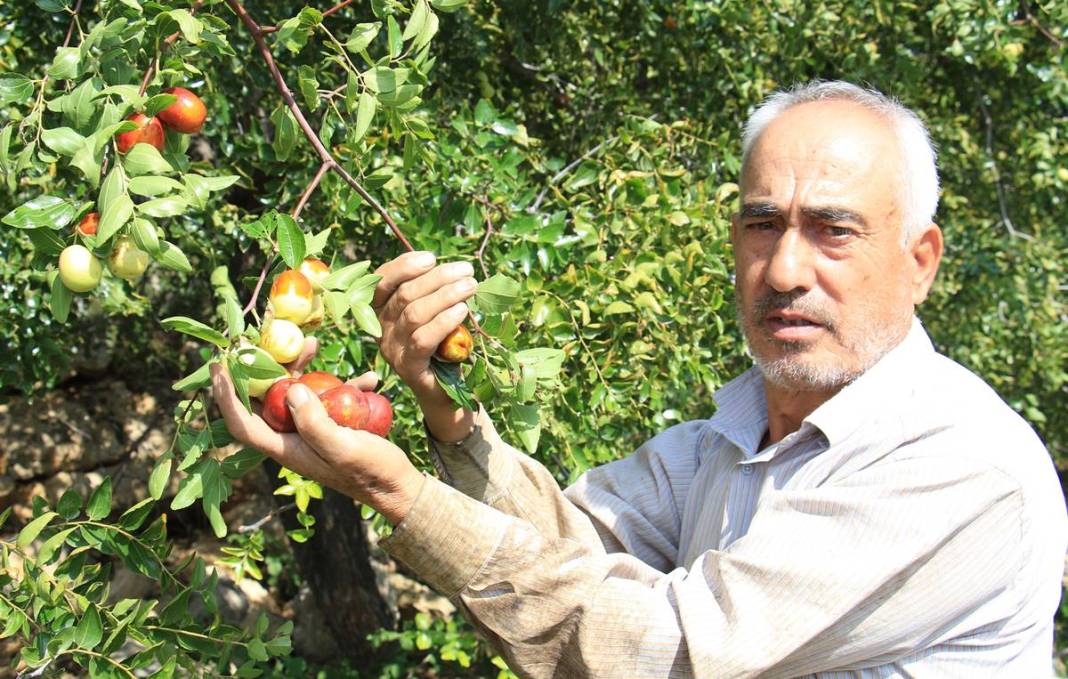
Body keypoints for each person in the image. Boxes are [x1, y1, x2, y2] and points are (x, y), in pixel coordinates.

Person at [212, 81, 1068, 677]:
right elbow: (574, 548)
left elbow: (672, 653)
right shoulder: (729, 437)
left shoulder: (959, 465)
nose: (784, 269)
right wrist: (448, 414)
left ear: (920, 261)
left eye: (833, 230)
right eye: (762, 224)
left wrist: (404, 498)